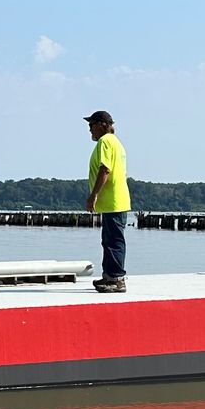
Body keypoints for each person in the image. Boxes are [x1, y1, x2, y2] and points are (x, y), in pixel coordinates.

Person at [85, 109, 130, 292]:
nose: (89, 130)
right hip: (115, 201)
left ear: (102, 125)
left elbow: (105, 170)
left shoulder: (105, 142)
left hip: (113, 201)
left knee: (114, 241)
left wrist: (93, 195)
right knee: (109, 240)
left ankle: (116, 279)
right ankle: (109, 276)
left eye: (91, 125)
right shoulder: (115, 142)